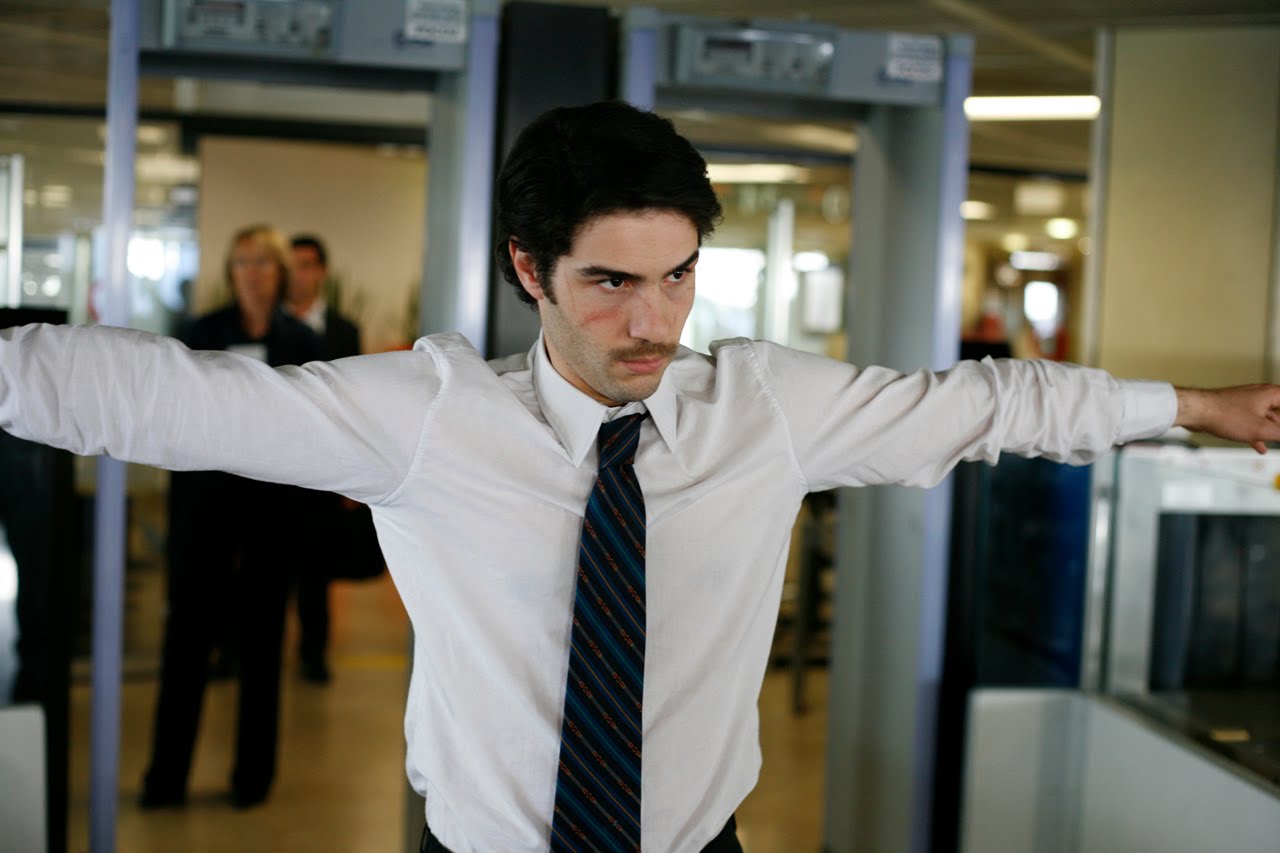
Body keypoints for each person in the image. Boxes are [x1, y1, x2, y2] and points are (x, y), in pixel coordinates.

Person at [1, 101, 1278, 851]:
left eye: (676, 278)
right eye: (610, 281)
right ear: (529, 269)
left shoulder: (762, 409)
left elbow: (988, 405)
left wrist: (1203, 407)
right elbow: (161, 397)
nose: (651, 322)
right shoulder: (429, 418)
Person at [141, 224, 319, 809]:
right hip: (206, 507)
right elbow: (177, 418)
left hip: (273, 511)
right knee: (188, 638)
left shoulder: (301, 341)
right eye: (242, 262)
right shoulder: (201, 334)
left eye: (263, 262)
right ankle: (166, 777)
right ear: (230, 271)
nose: (253, 273)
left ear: (279, 272)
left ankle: (253, 778)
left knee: (264, 644)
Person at [284, 233, 363, 684]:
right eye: (293, 265)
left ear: (322, 272)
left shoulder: (342, 331)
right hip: (272, 467)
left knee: (315, 571)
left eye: (308, 265)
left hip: (322, 468)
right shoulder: (269, 325)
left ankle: (313, 654)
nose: (300, 274)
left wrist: (351, 478)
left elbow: (352, 403)